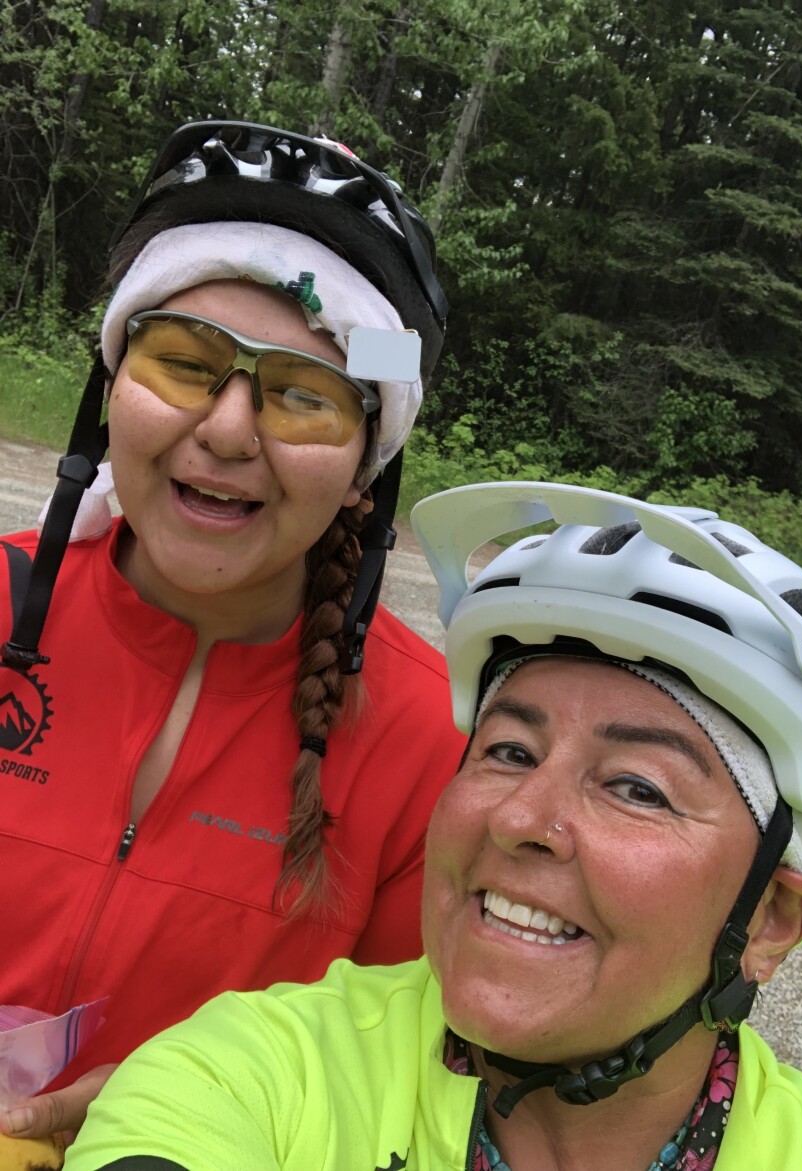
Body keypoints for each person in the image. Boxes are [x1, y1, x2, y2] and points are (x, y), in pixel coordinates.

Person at [64, 482, 802, 1169]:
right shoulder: (260, 1071)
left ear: (771, 918)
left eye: (637, 787)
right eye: (509, 750)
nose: (521, 817)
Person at [0, 121, 466, 1141]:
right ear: (110, 386)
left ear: (363, 471)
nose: (225, 429)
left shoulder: (430, 744)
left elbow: (406, 1090)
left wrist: (187, 1113)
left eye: (304, 396)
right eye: (184, 361)